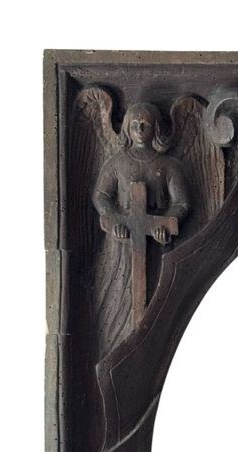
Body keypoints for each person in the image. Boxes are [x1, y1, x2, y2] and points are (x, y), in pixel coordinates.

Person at [92, 103, 190, 356]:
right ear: (126, 127)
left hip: (157, 244)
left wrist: (163, 224)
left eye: (145, 124)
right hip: (124, 244)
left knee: (157, 293)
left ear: (155, 128)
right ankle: (121, 346)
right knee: (122, 295)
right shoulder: (118, 163)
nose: (139, 128)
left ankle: (153, 347)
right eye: (134, 124)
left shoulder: (167, 165)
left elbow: (181, 203)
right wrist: (116, 221)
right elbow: (101, 196)